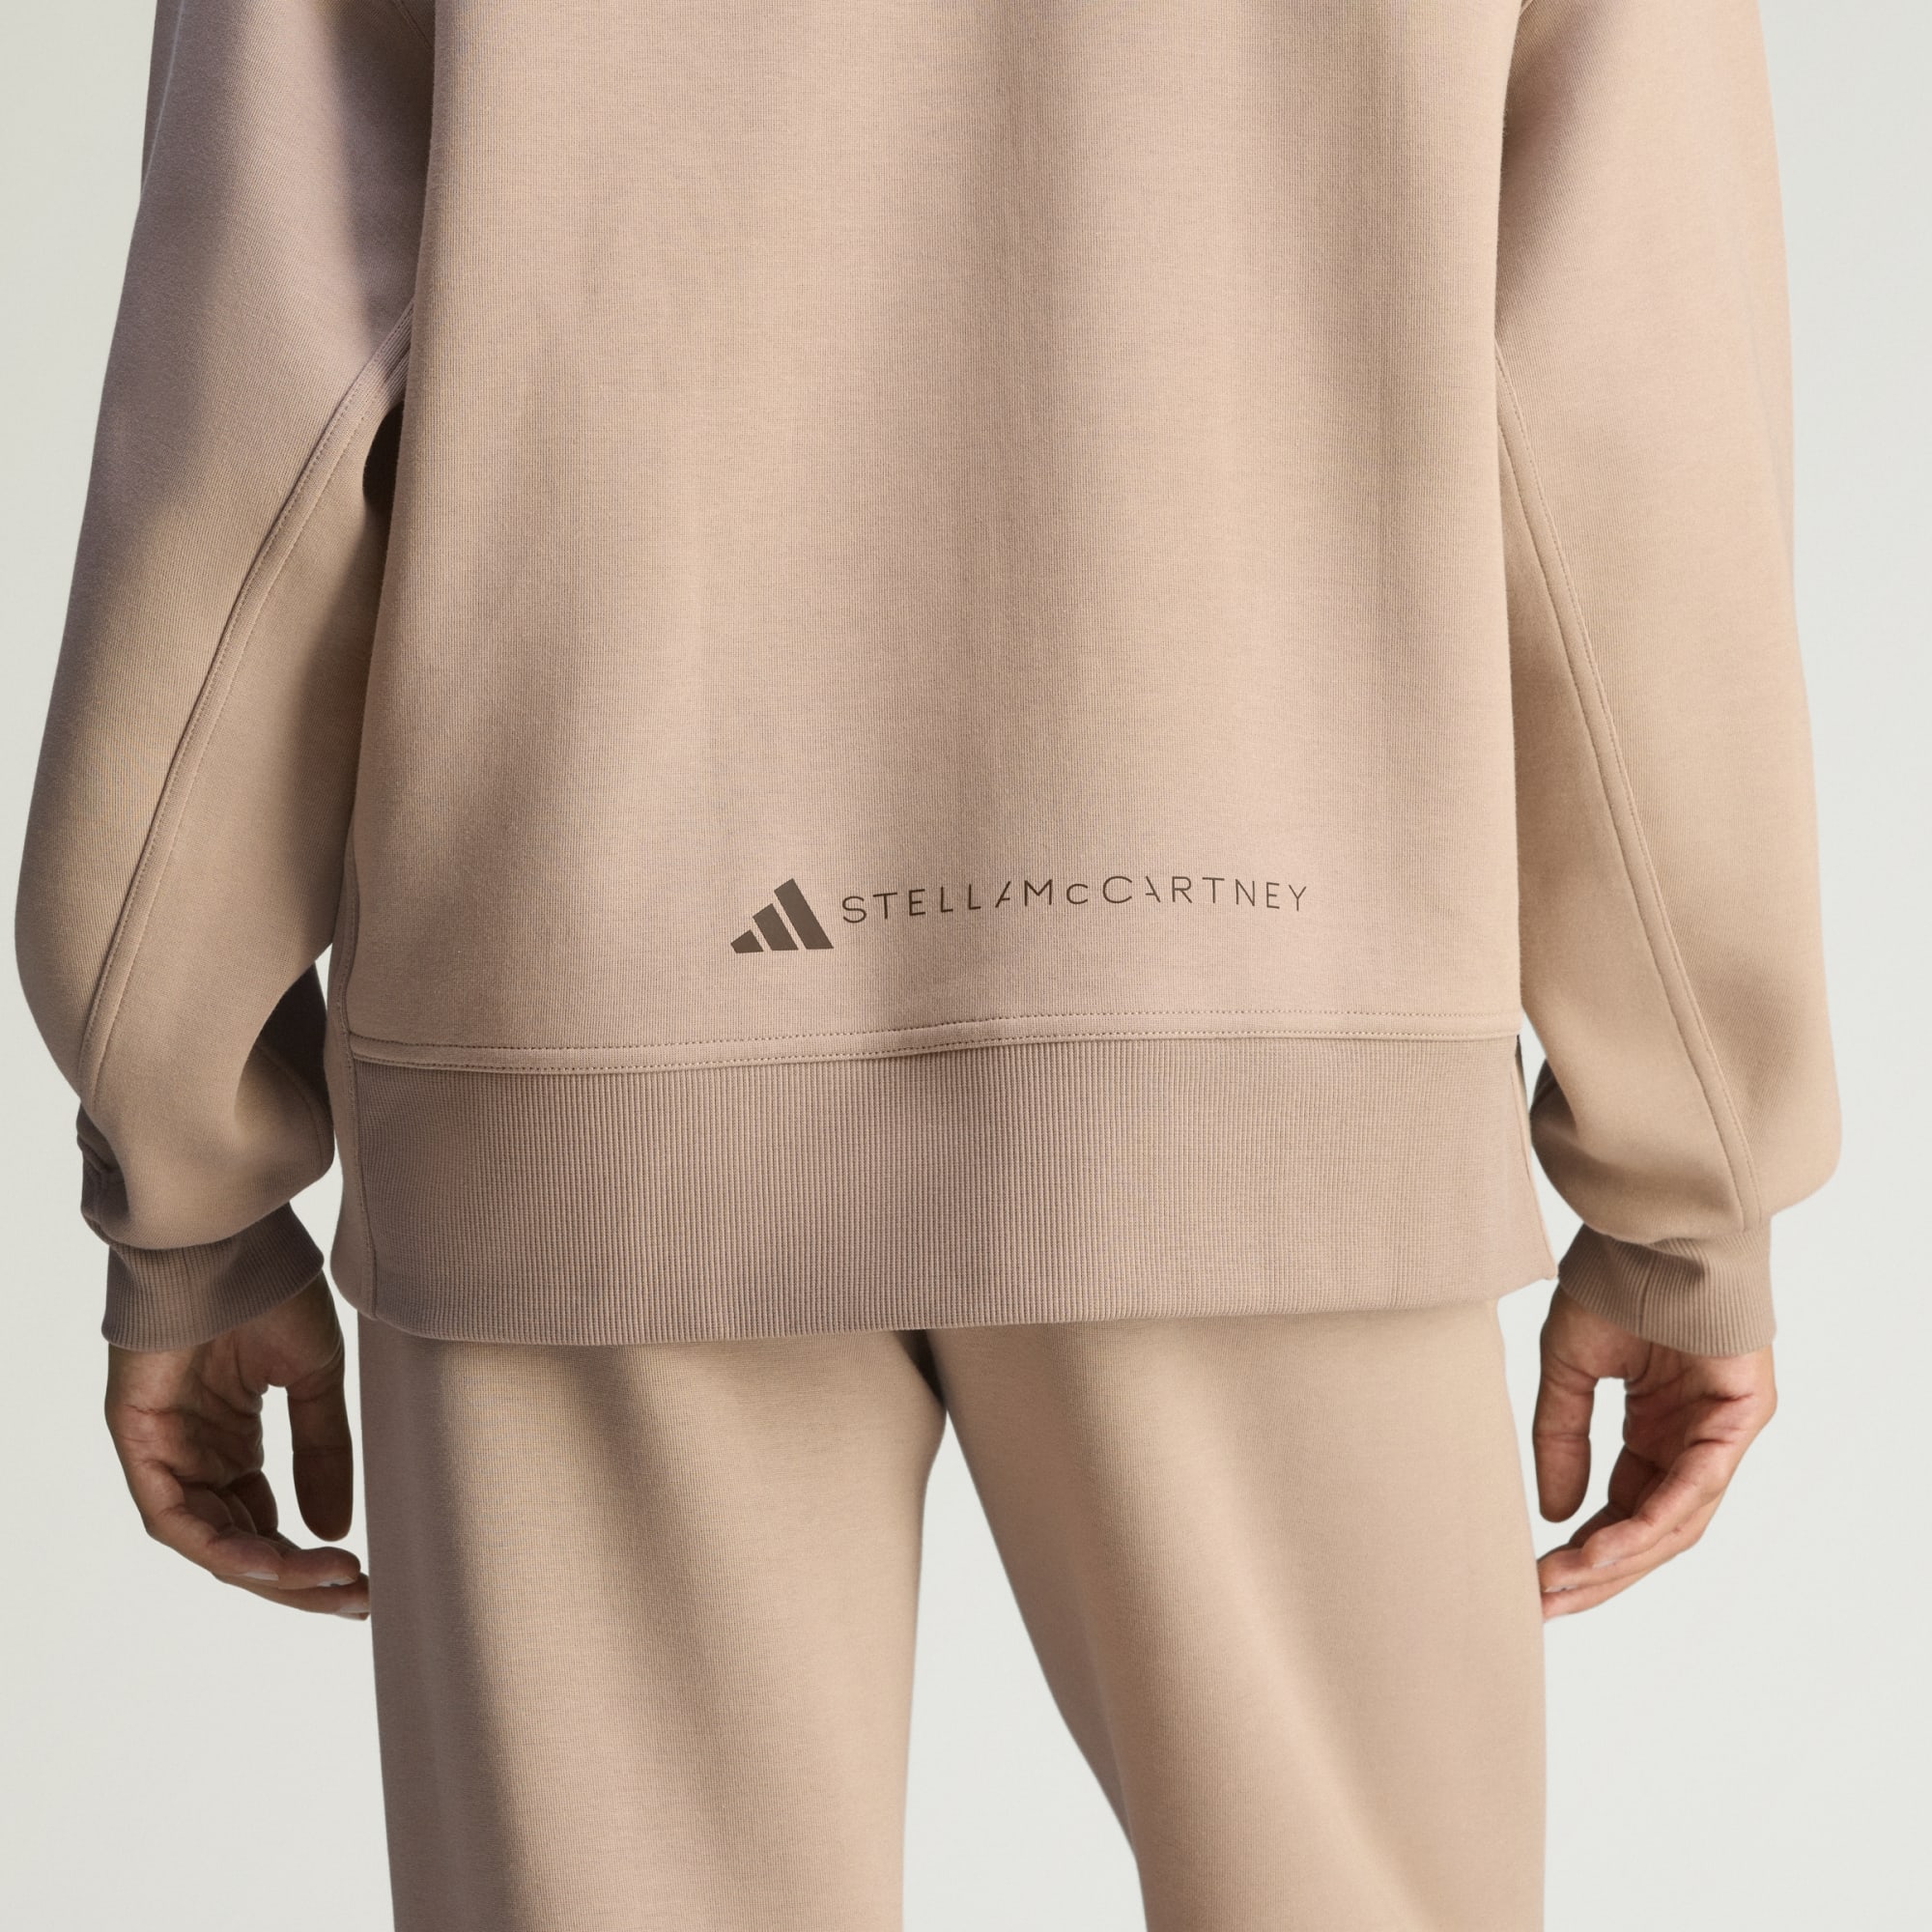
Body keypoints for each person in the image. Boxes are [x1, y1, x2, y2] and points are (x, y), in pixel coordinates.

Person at [16, 3, 1837, 1927]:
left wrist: (186, 1171)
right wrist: (1688, 1176)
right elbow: (1628, 438)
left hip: (594, 1051)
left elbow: (255, 406)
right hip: (1269, 1039)